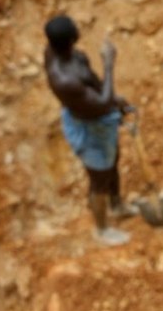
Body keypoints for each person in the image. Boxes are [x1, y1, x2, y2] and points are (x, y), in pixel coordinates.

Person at [44, 15, 138, 246]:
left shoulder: (70, 55)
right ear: (72, 38)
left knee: (113, 160)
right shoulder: (64, 79)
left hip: (100, 120)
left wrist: (116, 100)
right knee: (99, 179)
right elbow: (101, 103)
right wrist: (108, 63)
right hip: (90, 129)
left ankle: (116, 205)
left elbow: (98, 89)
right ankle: (102, 229)